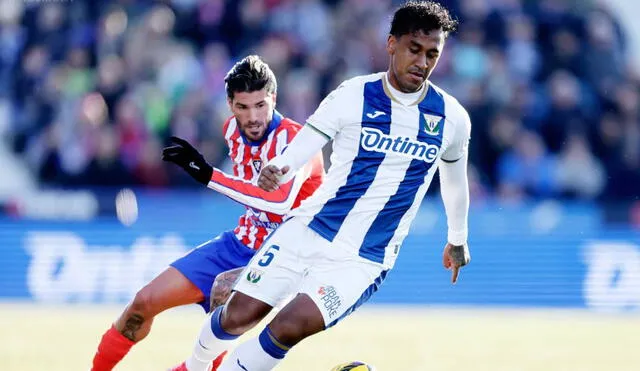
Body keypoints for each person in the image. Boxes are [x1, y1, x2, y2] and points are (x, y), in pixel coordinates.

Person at [180, 2, 472, 370]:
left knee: (288, 327)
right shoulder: (353, 95)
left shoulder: (452, 119)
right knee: (238, 314)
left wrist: (458, 238)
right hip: (309, 229)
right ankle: (191, 366)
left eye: (432, 54)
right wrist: (280, 167)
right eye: (414, 49)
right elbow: (307, 141)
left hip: (364, 257)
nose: (422, 62)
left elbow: (454, 179)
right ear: (391, 44)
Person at [90, 55, 324, 371]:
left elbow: (278, 202)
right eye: (243, 107)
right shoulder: (231, 132)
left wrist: (208, 175)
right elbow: (248, 194)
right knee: (142, 303)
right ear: (230, 104)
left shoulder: (296, 140)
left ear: (274, 99)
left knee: (220, 322)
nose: (253, 116)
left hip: (282, 259)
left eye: (260, 105)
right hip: (238, 243)